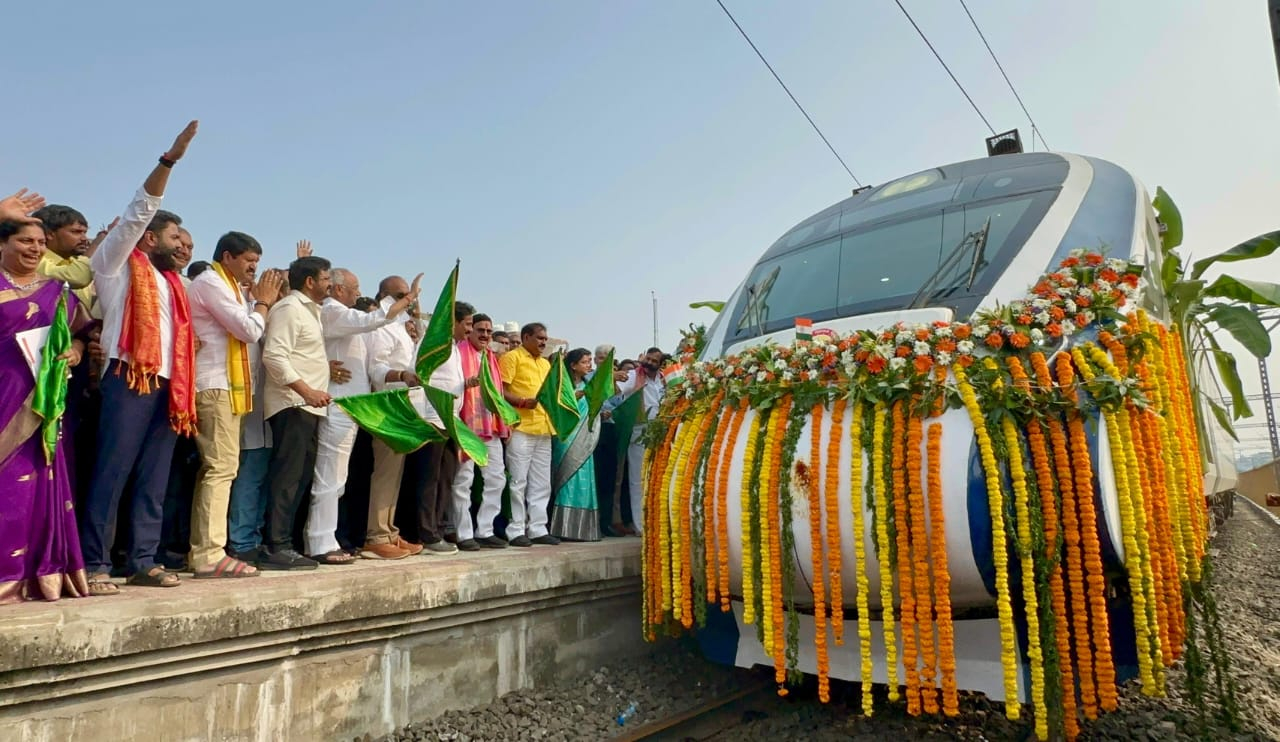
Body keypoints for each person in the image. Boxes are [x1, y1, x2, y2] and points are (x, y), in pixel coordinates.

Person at [80, 120, 200, 591]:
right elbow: (138, 211)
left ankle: (143, 560)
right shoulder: (115, 266)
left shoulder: (174, 284)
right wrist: (168, 161)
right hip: (129, 378)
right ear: (148, 239)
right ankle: (95, 562)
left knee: (155, 477)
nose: (182, 247)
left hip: (170, 387)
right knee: (112, 472)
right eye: (175, 238)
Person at [0, 220, 93, 603]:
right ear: (2, 243)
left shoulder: (57, 291)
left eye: (39, 242)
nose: (35, 248)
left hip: (43, 403)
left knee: (36, 482)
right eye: (25, 240)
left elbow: (81, 333)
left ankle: (35, 574)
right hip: (4, 397)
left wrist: (76, 352)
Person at [186, 231, 282, 578]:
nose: (254, 268)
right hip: (216, 386)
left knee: (221, 468)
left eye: (257, 262)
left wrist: (256, 301)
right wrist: (263, 303)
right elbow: (248, 330)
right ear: (227, 257)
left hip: (228, 388)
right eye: (249, 261)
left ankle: (207, 550)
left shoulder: (232, 288)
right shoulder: (211, 283)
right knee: (220, 469)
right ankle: (209, 555)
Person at [307, 265, 418, 564]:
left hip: (353, 405)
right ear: (338, 289)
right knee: (329, 478)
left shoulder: (345, 317)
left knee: (338, 479)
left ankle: (325, 539)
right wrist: (407, 300)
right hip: (338, 404)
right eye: (354, 288)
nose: (359, 293)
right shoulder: (333, 311)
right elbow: (371, 319)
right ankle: (320, 542)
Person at [260, 256, 334, 570]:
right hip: (293, 404)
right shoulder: (289, 309)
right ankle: (275, 546)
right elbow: (274, 357)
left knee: (300, 477)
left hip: (309, 407)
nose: (331, 284)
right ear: (310, 281)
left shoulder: (310, 311)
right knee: (287, 477)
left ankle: (286, 543)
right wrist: (307, 391)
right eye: (326, 278)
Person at [402, 300, 473, 554]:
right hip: (433, 420)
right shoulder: (431, 343)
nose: (470, 329)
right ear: (453, 322)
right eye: (467, 324)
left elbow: (447, 381)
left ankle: (438, 529)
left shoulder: (454, 348)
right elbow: (416, 375)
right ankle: (425, 533)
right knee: (429, 479)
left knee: (445, 477)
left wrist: (466, 384)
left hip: (450, 421)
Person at [449, 313, 509, 550]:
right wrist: (466, 384)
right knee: (464, 480)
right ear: (470, 330)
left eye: (488, 331)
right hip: (465, 425)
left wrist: (505, 423)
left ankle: (485, 530)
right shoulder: (458, 352)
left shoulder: (490, 357)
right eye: (480, 330)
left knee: (497, 478)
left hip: (489, 425)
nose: (485, 335)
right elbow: (447, 384)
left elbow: (498, 393)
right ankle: (463, 533)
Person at [499, 322, 558, 547]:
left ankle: (538, 528)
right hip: (520, 427)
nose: (543, 342)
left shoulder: (545, 363)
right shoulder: (512, 358)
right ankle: (516, 530)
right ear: (525, 337)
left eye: (545, 339)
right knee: (518, 481)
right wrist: (522, 402)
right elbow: (500, 391)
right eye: (539, 338)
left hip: (544, 427)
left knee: (542, 482)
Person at [612, 347, 667, 535]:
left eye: (654, 361)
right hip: (639, 431)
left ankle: (657, 522)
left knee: (658, 478)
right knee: (638, 479)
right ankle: (640, 526)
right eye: (648, 359)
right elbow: (615, 391)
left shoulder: (663, 378)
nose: (649, 363)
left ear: (660, 364)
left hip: (661, 432)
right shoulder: (634, 376)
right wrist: (612, 378)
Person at [549, 348, 600, 542]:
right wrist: (572, 397)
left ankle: (583, 530)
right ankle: (563, 528)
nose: (589, 365)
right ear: (573, 365)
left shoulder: (588, 385)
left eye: (590, 361)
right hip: (566, 439)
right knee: (568, 478)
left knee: (585, 480)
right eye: (585, 362)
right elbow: (554, 406)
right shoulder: (562, 384)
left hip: (585, 440)